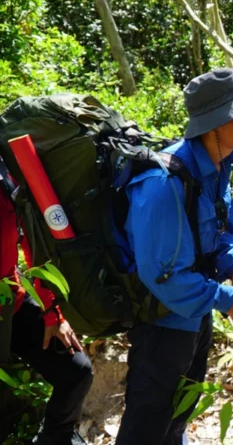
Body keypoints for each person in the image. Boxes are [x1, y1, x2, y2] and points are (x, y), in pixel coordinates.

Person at [115, 68, 233, 445]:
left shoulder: (219, 166)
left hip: (194, 317)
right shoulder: (163, 182)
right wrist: (223, 298)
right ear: (215, 124)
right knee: (147, 422)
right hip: (161, 324)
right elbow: (164, 274)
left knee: (180, 411)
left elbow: (224, 231)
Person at [0, 166, 93, 445]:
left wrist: (52, 311)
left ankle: (56, 438)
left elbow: (33, 245)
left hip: (11, 302)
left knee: (76, 371)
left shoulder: (6, 174)